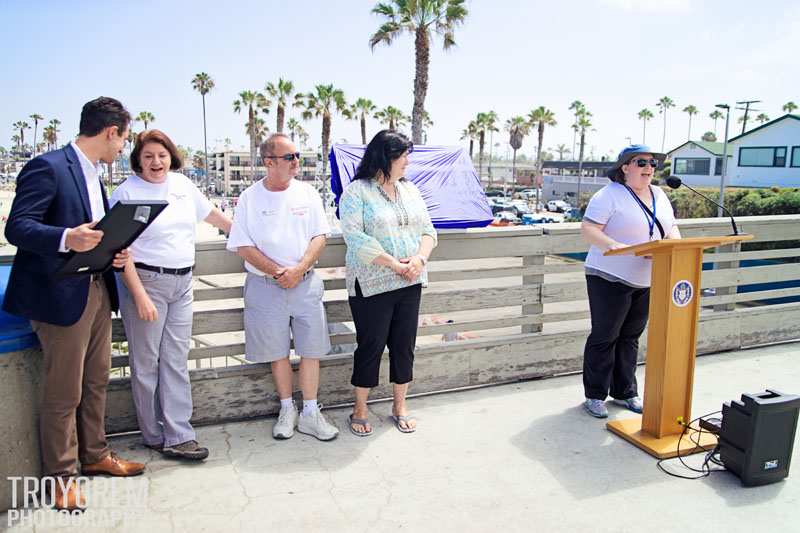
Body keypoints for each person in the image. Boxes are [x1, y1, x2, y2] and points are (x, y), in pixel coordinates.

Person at [3, 97, 145, 511]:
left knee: (96, 382)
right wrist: (68, 237)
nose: (123, 148)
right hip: (60, 294)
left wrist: (114, 250)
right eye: (123, 139)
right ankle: (61, 479)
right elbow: (18, 227)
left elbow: (95, 232)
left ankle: (96, 455)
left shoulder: (93, 175)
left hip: (97, 289)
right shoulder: (47, 167)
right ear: (110, 132)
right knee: (63, 393)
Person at [112, 129, 232, 460]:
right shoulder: (126, 193)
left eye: (162, 155)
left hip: (183, 283)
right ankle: (152, 433)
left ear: (171, 157)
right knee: (146, 362)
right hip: (146, 282)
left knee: (176, 360)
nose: (156, 162)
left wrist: (248, 235)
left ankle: (179, 434)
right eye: (148, 156)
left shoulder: (182, 186)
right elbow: (119, 250)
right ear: (137, 159)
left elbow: (214, 216)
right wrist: (139, 296)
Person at [226, 133, 338, 441]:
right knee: (276, 351)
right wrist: (278, 272)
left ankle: (311, 413)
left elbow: (320, 236)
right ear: (269, 162)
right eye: (290, 157)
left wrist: (299, 269)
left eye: (297, 156)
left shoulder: (308, 193)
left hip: (305, 283)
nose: (296, 162)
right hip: (265, 285)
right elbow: (242, 245)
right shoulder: (249, 197)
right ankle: (287, 409)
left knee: (311, 349)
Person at [339, 130, 437, 436]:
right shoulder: (357, 192)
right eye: (403, 155)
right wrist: (394, 265)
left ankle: (400, 407)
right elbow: (355, 237)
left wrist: (419, 259)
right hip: (372, 284)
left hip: (410, 281)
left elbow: (428, 230)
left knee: (404, 346)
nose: (408, 161)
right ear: (386, 157)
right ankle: (359, 409)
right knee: (370, 346)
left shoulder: (410, 190)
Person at [580, 144, 680, 418]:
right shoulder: (608, 195)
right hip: (609, 275)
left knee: (630, 337)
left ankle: (625, 392)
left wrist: (673, 246)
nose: (649, 168)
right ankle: (595, 395)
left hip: (645, 278)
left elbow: (670, 227)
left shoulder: (659, 194)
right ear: (625, 167)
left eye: (652, 164)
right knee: (606, 335)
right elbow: (588, 229)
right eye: (641, 162)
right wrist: (615, 245)